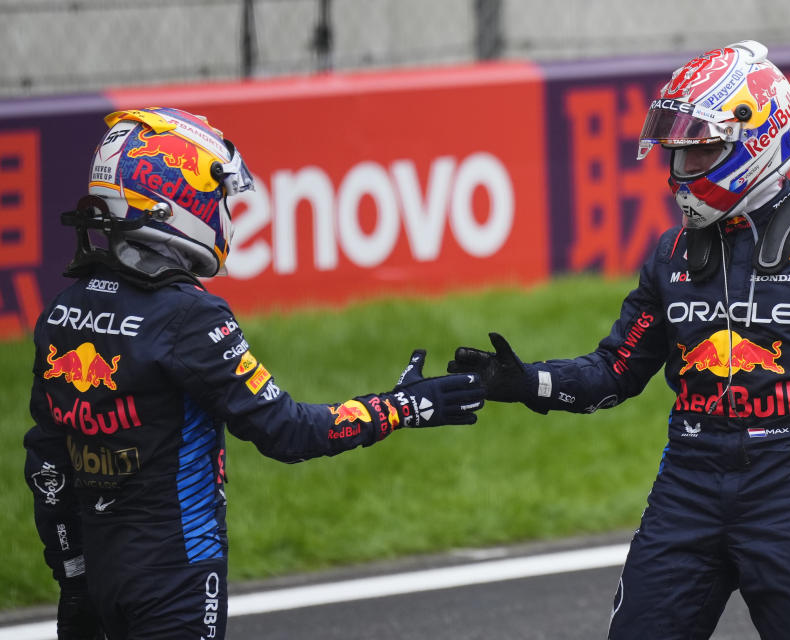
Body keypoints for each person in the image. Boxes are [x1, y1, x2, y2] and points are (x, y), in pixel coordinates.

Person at [448, 40, 790, 639]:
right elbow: (614, 371)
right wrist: (525, 383)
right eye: (679, 152)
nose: (682, 170)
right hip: (686, 491)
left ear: (758, 140)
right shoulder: (672, 253)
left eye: (701, 150)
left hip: (786, 493)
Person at [24, 107, 485, 640]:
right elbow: (289, 431)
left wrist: (74, 580)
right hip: (175, 580)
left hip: (98, 580)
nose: (226, 214)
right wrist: (403, 406)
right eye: (218, 197)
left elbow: (47, 464)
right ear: (174, 196)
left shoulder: (62, 309)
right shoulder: (191, 317)